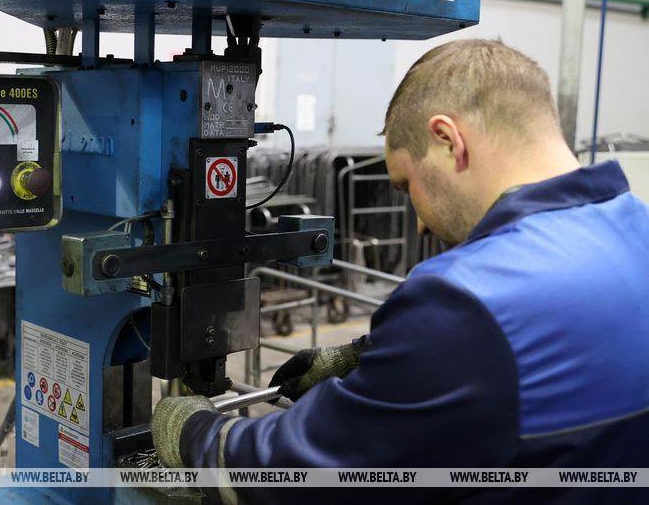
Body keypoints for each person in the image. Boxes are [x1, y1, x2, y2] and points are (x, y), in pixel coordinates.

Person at [150, 39, 649, 503]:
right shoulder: (636, 232)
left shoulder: (464, 300)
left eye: (406, 184)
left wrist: (197, 435)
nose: (420, 222)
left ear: (448, 140)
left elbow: (301, 475)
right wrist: (369, 357)